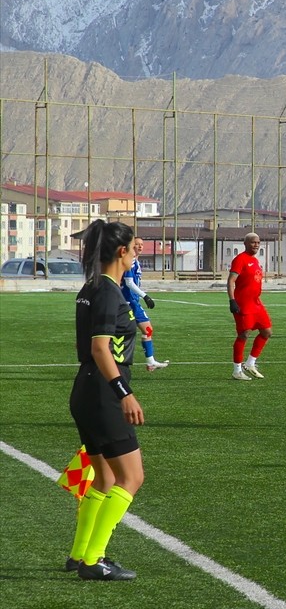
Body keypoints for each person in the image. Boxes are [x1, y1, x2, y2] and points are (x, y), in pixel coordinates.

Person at [66, 220, 144, 580]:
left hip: (86, 389)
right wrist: (123, 393)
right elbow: (100, 348)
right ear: (121, 251)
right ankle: (93, 560)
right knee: (132, 477)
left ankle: (80, 554)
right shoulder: (109, 292)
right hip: (103, 393)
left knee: (104, 478)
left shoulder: (92, 286)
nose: (136, 251)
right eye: (133, 246)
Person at [227, 232, 272, 380]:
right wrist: (232, 300)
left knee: (266, 331)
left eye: (258, 242)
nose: (256, 245)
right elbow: (231, 281)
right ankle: (237, 370)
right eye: (253, 242)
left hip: (256, 303)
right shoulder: (240, 259)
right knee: (244, 334)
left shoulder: (255, 260)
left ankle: (250, 363)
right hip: (243, 304)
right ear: (245, 243)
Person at [120, 237, 168, 372]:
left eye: (142, 244)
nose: (140, 246)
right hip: (129, 302)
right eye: (137, 244)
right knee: (139, 331)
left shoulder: (135, 261)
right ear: (131, 246)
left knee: (147, 330)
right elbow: (129, 282)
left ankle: (150, 361)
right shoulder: (130, 261)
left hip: (132, 301)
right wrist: (145, 296)